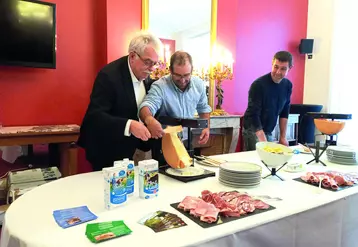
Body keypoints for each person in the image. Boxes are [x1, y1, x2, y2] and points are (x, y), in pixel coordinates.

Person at [77, 31, 163, 171]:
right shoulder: (109, 76)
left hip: (134, 151)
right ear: (133, 56)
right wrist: (129, 125)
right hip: (107, 149)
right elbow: (96, 117)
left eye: (155, 63)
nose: (152, 69)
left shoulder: (147, 76)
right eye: (148, 62)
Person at [139, 51, 212, 157]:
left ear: (192, 70)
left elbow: (203, 108)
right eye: (178, 75)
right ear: (170, 71)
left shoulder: (199, 84)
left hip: (187, 140)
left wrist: (206, 127)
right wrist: (149, 120)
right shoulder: (160, 86)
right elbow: (146, 106)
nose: (182, 80)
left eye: (186, 75)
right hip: (164, 142)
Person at [242, 51, 293, 151]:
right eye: (276, 67)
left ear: (290, 69)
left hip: (269, 129)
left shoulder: (288, 85)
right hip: (253, 128)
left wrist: (283, 137)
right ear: (272, 64)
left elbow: (284, 112)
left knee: (270, 159)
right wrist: (263, 140)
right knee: (260, 159)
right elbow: (253, 114)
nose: (278, 72)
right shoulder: (258, 85)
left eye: (283, 69)